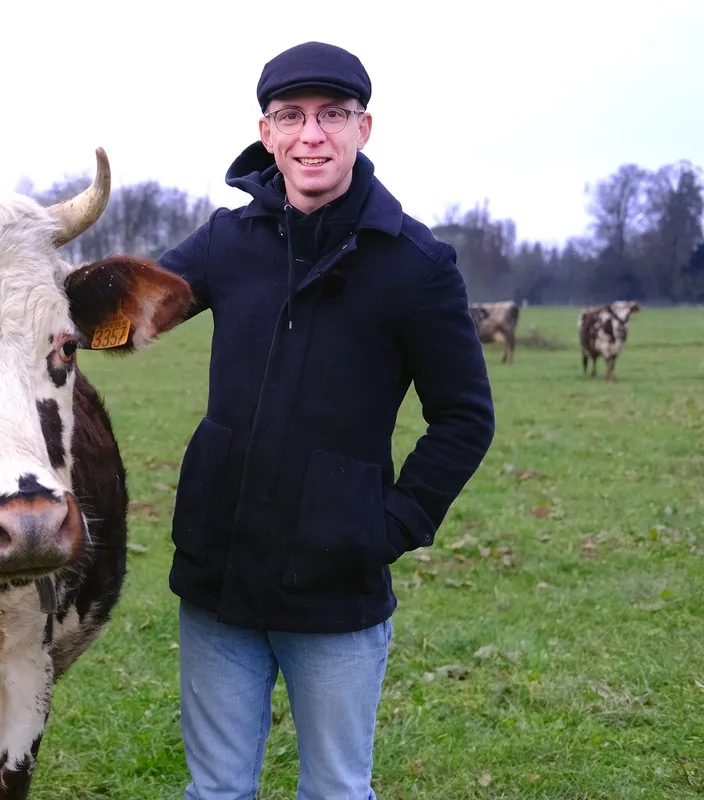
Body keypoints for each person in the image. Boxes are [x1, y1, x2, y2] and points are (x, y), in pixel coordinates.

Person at [157, 41, 496, 799]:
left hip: (337, 587)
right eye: (292, 116)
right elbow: (124, 307)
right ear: (266, 131)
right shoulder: (224, 242)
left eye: (332, 115)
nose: (312, 135)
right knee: (213, 792)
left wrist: (389, 526)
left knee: (337, 791)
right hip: (219, 576)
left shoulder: (416, 264)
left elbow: (465, 417)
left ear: (363, 129)